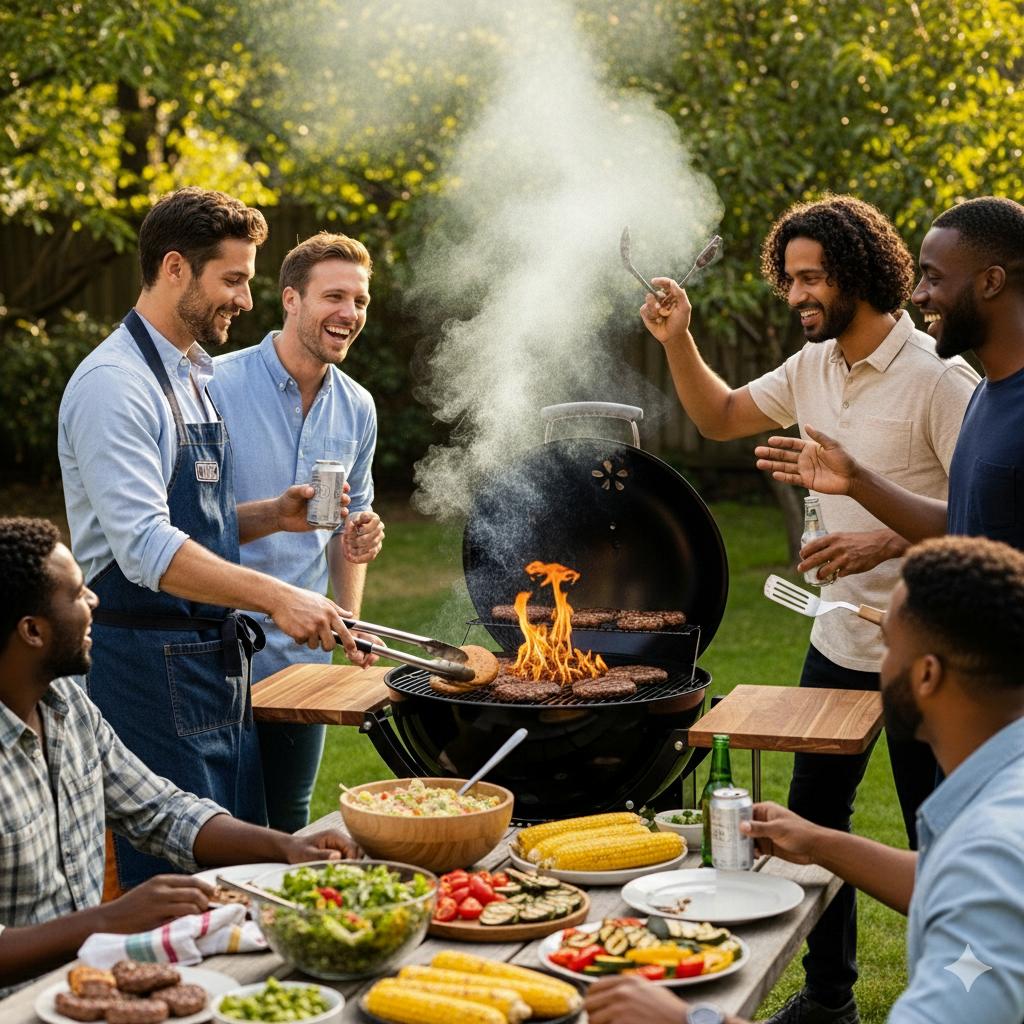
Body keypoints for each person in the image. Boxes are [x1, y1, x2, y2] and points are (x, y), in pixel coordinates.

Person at [639, 195, 979, 1024]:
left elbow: (986, 518)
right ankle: (828, 1001)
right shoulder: (812, 367)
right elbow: (719, 415)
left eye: (812, 277)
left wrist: (885, 545)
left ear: (860, 272)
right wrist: (678, 337)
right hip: (836, 641)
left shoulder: (941, 377)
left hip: (929, 656)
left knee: (939, 840)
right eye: (789, 279)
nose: (796, 296)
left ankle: (957, 999)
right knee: (813, 829)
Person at [57, 187, 371, 890]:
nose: (246, 299)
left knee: (242, 863)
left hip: (209, 659)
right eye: (232, 279)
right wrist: (278, 597)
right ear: (175, 268)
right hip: (145, 662)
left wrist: (271, 517)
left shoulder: (191, 376)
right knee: (178, 882)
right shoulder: (116, 384)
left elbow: (194, 518)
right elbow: (142, 546)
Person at [586, 534, 1024, 1024]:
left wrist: (689, 1020)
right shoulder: (1005, 798)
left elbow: (982, 887)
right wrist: (818, 844)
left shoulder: (994, 855)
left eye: (888, 647)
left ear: (926, 675)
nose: (880, 666)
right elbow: (949, 885)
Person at [0, 517, 360, 993]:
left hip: (85, 985)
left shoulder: (69, 707)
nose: (94, 602)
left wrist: (286, 846)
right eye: (77, 594)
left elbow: (162, 812)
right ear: (32, 630)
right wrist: (112, 918)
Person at [209, 232, 384, 833]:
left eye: (360, 301)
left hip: (299, 659)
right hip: (210, 654)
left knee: (286, 825)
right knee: (213, 827)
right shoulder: (213, 385)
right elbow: (180, 528)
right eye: (334, 296)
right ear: (290, 299)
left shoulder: (358, 407)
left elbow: (344, 529)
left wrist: (349, 611)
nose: (350, 313)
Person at [756, 196, 1024, 553]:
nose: (917, 294)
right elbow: (965, 528)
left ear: (991, 282)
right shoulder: (985, 397)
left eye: (934, 277)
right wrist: (856, 481)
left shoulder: (961, 386)